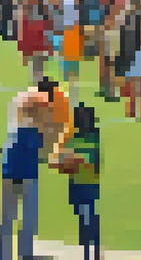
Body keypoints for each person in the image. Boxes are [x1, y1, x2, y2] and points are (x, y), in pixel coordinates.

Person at [0, 79, 58, 260]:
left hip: (9, 161)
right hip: (27, 166)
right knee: (29, 214)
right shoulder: (42, 104)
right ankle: (25, 254)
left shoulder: (19, 100)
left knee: (7, 215)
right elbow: (47, 140)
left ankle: (4, 255)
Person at [57, 103, 101, 260]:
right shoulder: (92, 137)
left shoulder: (77, 139)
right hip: (87, 183)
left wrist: (71, 162)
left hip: (81, 184)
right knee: (88, 215)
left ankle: (90, 249)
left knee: (85, 217)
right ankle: (92, 248)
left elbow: (69, 162)